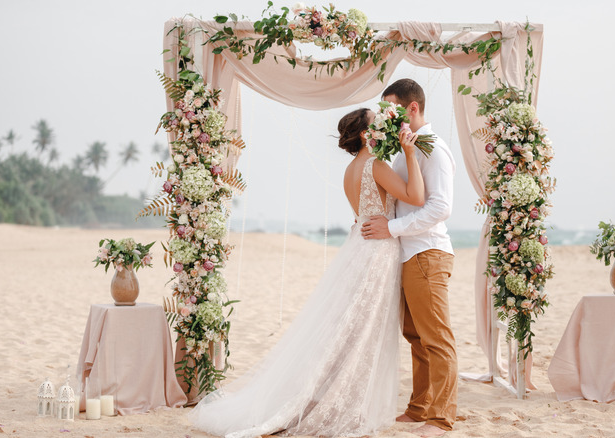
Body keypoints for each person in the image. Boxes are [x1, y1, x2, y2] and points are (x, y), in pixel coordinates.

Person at [189, 108, 425, 438]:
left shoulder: (350, 169)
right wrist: (411, 154)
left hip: (359, 246)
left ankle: (327, 394)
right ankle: (338, 403)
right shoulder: (376, 165)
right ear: (364, 134)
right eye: (377, 122)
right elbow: (416, 196)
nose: (384, 126)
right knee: (363, 332)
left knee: (350, 328)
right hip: (377, 252)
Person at [361, 78, 457, 438]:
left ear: (412, 108)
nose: (386, 115)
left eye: (391, 108)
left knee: (437, 338)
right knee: (415, 336)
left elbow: (441, 208)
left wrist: (394, 227)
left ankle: (442, 417)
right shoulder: (406, 149)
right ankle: (419, 408)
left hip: (427, 252)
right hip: (407, 253)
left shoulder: (435, 149)